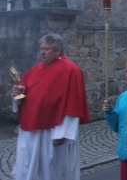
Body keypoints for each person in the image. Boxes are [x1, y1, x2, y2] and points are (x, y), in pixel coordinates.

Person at [12, 33, 90, 180]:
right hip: (30, 130)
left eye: (47, 49)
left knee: (53, 170)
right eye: (41, 48)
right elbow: (24, 93)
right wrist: (18, 94)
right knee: (27, 167)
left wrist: (63, 133)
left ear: (58, 50)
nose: (42, 52)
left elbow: (72, 103)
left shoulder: (70, 70)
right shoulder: (35, 70)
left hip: (53, 131)